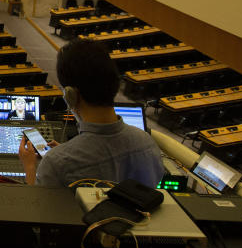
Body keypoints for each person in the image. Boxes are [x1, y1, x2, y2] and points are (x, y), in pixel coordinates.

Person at [18, 38, 164, 188]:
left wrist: (30, 167)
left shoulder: (56, 164)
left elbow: (37, 208)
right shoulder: (147, 144)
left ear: (70, 95)